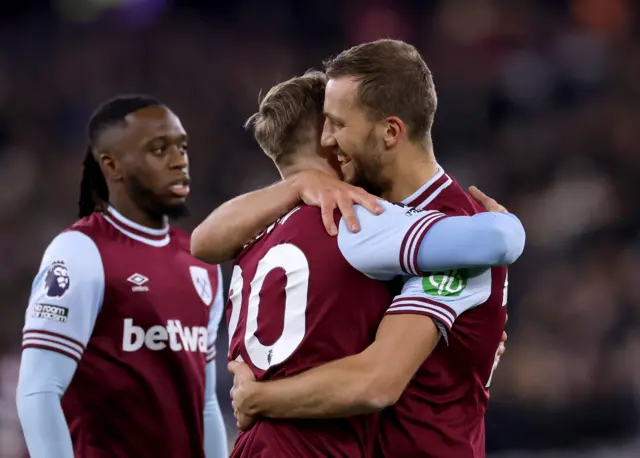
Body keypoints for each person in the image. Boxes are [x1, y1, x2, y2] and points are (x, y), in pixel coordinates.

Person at [191, 67, 524, 457]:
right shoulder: (356, 219)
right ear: (330, 142)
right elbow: (493, 241)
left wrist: (468, 340)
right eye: (335, 123)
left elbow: (201, 241)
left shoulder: (251, 237)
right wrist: (506, 223)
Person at [16, 95, 228, 458]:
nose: (179, 161)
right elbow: (39, 389)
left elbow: (205, 403)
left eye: (182, 147)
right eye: (159, 149)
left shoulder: (202, 262)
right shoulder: (80, 252)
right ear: (112, 166)